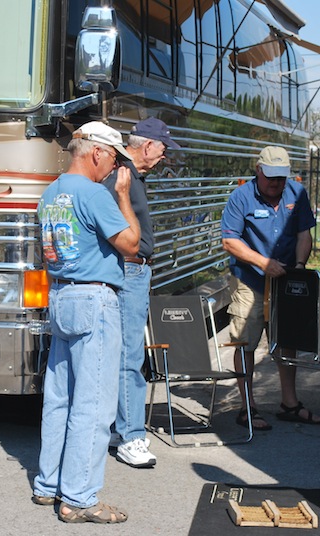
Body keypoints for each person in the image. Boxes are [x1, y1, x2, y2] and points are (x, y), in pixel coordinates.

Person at [32, 121, 140, 524]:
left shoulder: (50, 192)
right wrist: (124, 197)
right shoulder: (96, 194)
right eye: (114, 158)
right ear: (96, 152)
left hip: (60, 294)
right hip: (94, 297)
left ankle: (49, 483)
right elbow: (131, 243)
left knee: (60, 396)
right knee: (93, 406)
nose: (114, 169)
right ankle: (78, 497)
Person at [220, 145, 320, 431]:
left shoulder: (296, 194)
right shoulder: (240, 197)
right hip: (249, 278)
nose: (276, 183)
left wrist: (300, 267)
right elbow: (230, 241)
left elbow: (304, 234)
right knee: (246, 339)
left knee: (287, 339)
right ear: (258, 170)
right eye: (271, 177)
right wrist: (263, 263)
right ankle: (247, 407)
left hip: (287, 279)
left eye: (281, 177)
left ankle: (290, 403)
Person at [101, 118, 180, 468]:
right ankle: (131, 436)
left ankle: (122, 429)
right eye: (163, 150)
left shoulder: (129, 176)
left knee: (125, 353)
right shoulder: (122, 178)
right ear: (147, 146)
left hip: (134, 269)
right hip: (129, 270)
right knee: (130, 355)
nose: (163, 157)